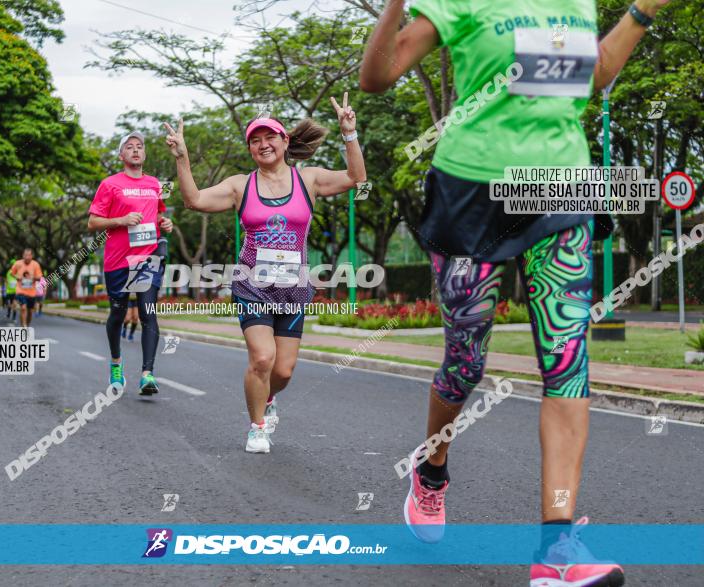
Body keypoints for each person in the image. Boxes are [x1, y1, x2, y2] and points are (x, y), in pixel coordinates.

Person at [360, 1, 671, 585]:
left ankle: (557, 550)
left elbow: (595, 71)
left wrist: (641, 13)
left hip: (557, 186)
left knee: (567, 362)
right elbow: (376, 77)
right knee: (465, 361)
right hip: (471, 193)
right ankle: (431, 471)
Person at [164, 94, 365, 453]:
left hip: (293, 289)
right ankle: (257, 427)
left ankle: (269, 398)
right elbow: (194, 200)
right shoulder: (240, 185)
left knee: (283, 371)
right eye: (255, 141)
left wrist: (349, 133)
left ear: (285, 141)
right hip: (252, 286)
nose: (262, 144)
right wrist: (182, 158)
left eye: (269, 137)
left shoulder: (310, 179)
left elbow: (355, 177)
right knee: (261, 358)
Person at [87, 131, 173, 396]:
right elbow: (92, 223)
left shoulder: (154, 184)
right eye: (130, 147)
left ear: (144, 153)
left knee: (148, 312)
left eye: (140, 146)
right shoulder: (110, 184)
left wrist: (166, 224)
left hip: (147, 258)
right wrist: (120, 221)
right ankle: (116, 363)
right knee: (118, 314)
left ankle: (147, 374)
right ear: (121, 155)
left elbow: (158, 215)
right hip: (117, 261)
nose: (136, 150)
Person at [10, 249, 43, 328]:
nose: (27, 257)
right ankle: (23, 326)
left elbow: (39, 277)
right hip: (20, 291)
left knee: (30, 311)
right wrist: (17, 277)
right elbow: (12, 273)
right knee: (23, 308)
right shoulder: (18, 263)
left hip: (31, 292)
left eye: (29, 255)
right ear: (23, 255)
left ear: (32, 256)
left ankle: (27, 326)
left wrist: (32, 278)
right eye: (25, 255)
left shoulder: (35, 265)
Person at [4, 259, 18, 323]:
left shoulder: (18, 272)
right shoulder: (9, 272)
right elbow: (6, 281)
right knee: (9, 304)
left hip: (16, 291)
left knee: (15, 304)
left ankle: (14, 318)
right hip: (9, 291)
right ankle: (9, 312)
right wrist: (6, 288)